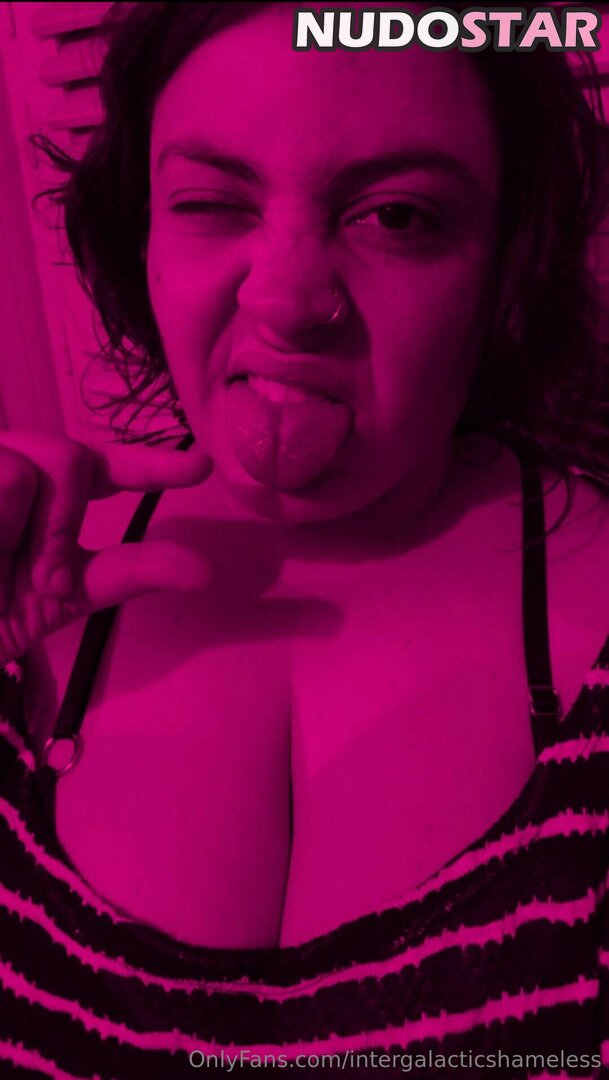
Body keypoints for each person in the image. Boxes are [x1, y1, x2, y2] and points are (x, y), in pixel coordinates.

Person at [1, 1, 609, 1075]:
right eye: (209, 202)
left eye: (397, 217)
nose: (287, 301)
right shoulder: (26, 580)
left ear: (506, 264)